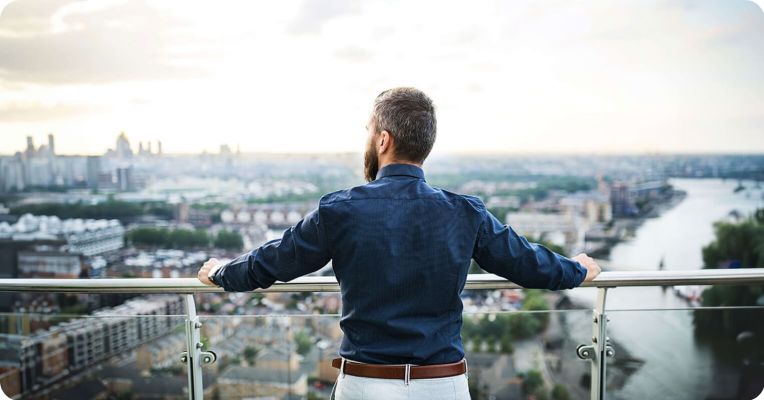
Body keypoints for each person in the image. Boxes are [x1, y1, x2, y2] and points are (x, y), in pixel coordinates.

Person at [197, 87, 601, 400]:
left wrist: (220, 272)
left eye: (370, 134)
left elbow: (271, 263)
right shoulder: (465, 213)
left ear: (384, 140)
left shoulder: (340, 210)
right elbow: (529, 263)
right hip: (442, 386)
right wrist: (579, 269)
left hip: (366, 385)